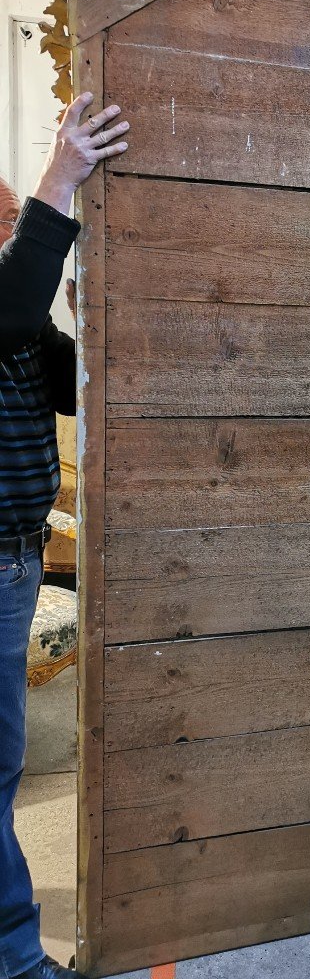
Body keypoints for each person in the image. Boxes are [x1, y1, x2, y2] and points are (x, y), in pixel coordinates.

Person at [0, 93, 129, 979]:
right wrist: (60, 179)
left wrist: (97, 318)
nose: (17, 236)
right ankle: (12, 959)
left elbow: (71, 386)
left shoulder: (13, 310)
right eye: (8, 222)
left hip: (11, 557)